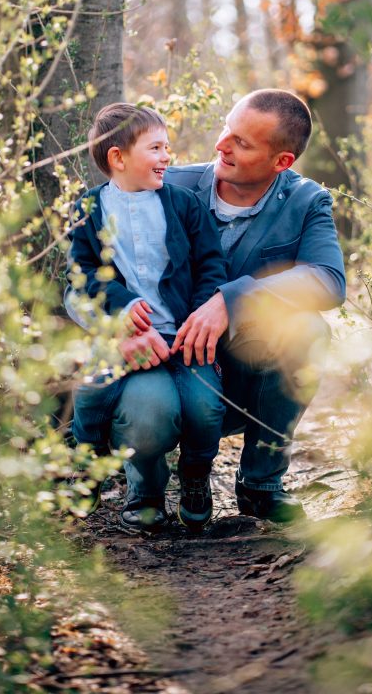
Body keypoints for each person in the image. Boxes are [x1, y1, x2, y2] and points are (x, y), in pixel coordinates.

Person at [67, 89, 346, 525]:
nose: (221, 146)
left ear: (282, 162)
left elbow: (328, 280)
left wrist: (231, 300)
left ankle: (260, 485)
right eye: (225, 130)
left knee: (310, 331)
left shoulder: (307, 202)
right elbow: (78, 287)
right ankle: (144, 493)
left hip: (243, 378)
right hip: (161, 358)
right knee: (148, 408)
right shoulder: (164, 185)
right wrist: (115, 327)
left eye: (242, 142)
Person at [67, 103, 228, 534]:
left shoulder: (183, 204)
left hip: (185, 337)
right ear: (118, 158)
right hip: (130, 336)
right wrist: (120, 305)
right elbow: (82, 274)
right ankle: (88, 465)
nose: (166, 156)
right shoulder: (89, 209)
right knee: (92, 391)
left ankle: (195, 477)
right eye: (155, 147)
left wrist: (199, 316)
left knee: (206, 407)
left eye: (168, 147)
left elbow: (210, 265)